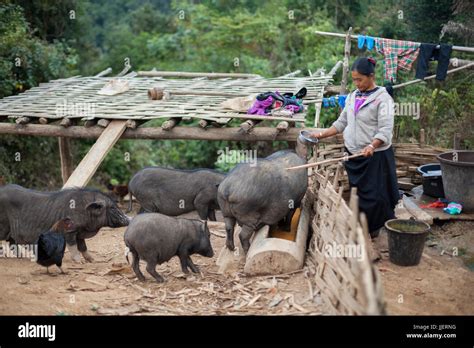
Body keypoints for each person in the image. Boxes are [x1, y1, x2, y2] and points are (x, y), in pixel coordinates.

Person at [311, 57, 399, 237]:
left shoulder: (383, 99)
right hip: (354, 154)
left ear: (371, 76)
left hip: (375, 157)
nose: (357, 83)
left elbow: (385, 129)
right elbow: (341, 123)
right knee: (358, 195)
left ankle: (378, 229)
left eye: (360, 79)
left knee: (376, 196)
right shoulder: (352, 97)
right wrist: (320, 135)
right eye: (354, 79)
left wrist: (372, 145)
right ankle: (364, 226)